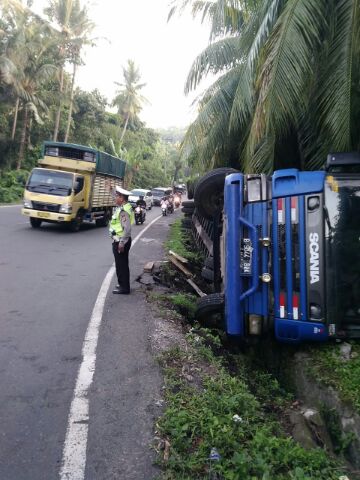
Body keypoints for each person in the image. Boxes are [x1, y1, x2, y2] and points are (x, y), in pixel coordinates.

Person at [109, 186, 135, 294]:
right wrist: (111, 191)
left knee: (121, 265)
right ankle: (122, 284)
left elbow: (127, 229)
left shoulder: (123, 211)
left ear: (122, 198)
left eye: (117, 196)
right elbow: (114, 199)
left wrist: (121, 243)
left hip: (121, 241)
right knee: (121, 264)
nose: (115, 198)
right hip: (120, 240)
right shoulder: (125, 207)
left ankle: (124, 288)